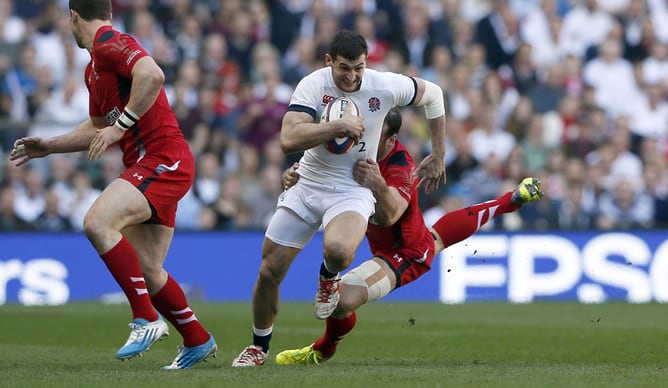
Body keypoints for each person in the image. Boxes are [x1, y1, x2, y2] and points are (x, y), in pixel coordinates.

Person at [8, 0, 215, 370]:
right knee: (148, 270)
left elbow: (153, 75)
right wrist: (50, 146)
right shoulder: (94, 69)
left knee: (97, 222)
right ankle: (197, 338)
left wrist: (121, 127)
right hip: (155, 165)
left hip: (163, 159)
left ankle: (146, 319)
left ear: (73, 17)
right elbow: (96, 126)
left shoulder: (110, 44)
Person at [231, 30, 447, 367]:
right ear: (329, 61)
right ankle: (259, 346)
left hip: (352, 187)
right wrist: (338, 127)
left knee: (340, 251)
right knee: (269, 272)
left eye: (358, 68)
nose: (352, 77)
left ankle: (329, 278)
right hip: (308, 183)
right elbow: (288, 137)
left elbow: (433, 95)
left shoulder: (384, 85)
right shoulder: (313, 85)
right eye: (344, 68)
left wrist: (438, 153)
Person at [274, 107, 543, 365]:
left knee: (339, 303)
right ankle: (510, 200)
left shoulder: (401, 167)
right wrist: (293, 178)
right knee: (436, 237)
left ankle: (322, 350)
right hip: (397, 242)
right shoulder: (354, 147)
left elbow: (388, 216)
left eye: (374, 134)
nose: (363, 138)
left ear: (391, 139)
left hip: (405, 254)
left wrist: (378, 184)